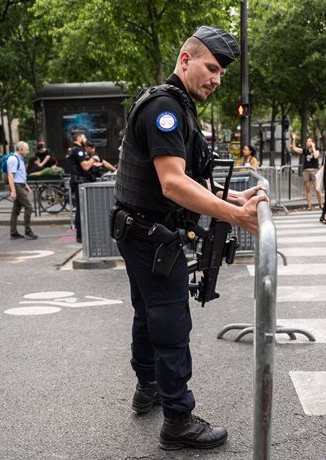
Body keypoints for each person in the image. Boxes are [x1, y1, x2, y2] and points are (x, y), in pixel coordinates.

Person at [112, 25, 267, 451]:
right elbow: (174, 184)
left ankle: (148, 388)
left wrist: (233, 194)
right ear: (185, 60)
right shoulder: (167, 109)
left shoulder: (171, 104)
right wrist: (237, 214)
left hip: (138, 230)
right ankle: (178, 419)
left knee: (147, 312)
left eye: (221, 73)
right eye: (211, 68)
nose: (217, 79)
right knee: (170, 321)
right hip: (151, 236)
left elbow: (189, 177)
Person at [67, 131, 97, 243]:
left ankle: (82, 234)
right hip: (80, 181)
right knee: (82, 209)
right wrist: (94, 158)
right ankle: (81, 235)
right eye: (84, 137)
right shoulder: (78, 150)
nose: (85, 138)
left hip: (78, 181)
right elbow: (85, 166)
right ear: (79, 137)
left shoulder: (74, 150)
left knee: (82, 208)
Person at [7, 141, 38, 239]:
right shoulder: (13, 159)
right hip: (16, 186)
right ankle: (28, 231)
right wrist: (13, 191)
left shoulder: (20, 159)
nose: (28, 151)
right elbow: (10, 175)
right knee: (29, 207)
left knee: (16, 210)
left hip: (20, 184)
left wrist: (25, 185)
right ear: (20, 150)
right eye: (26, 149)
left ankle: (13, 232)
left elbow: (19, 174)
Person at [289, 134, 323, 210]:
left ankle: (321, 204)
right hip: (306, 171)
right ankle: (309, 206)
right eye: (307, 141)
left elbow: (315, 156)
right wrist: (293, 139)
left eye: (309, 141)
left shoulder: (317, 150)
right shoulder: (305, 151)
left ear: (313, 142)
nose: (308, 142)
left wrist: (313, 147)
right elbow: (294, 148)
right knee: (308, 190)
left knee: (317, 189)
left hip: (314, 170)